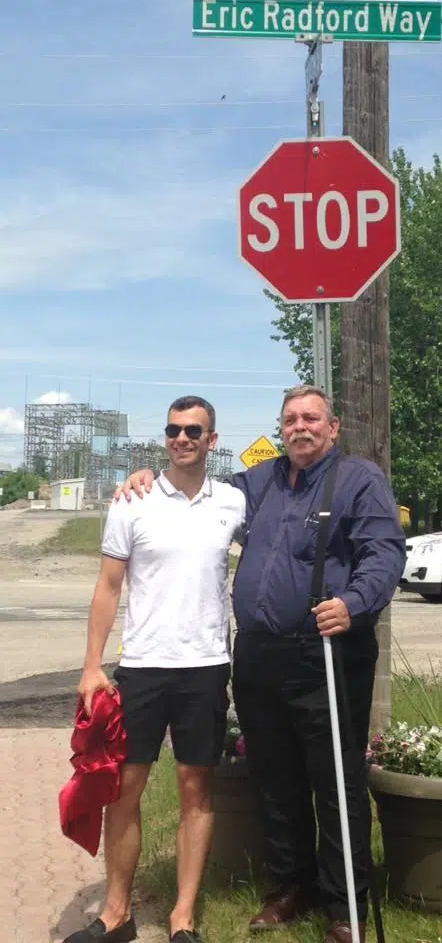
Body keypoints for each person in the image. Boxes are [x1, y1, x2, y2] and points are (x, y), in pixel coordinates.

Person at [120, 385, 406, 943]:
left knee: (334, 780)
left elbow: (384, 551)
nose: (300, 427)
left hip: (325, 652)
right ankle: (290, 886)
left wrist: (354, 602)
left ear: (333, 426)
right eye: (290, 419)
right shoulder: (258, 482)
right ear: (281, 428)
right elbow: (194, 485)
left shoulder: (359, 480)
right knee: (274, 777)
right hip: (257, 655)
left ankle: (345, 903)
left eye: (311, 418)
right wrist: (145, 478)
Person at [64, 396, 245, 943]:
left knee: (196, 788)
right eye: (173, 429)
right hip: (142, 668)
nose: (182, 438)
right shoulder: (132, 500)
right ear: (164, 436)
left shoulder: (234, 503)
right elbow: (108, 586)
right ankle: (115, 913)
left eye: (194, 430)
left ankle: (182, 917)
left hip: (206, 667)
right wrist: (92, 665)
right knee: (123, 789)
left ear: (212, 440)